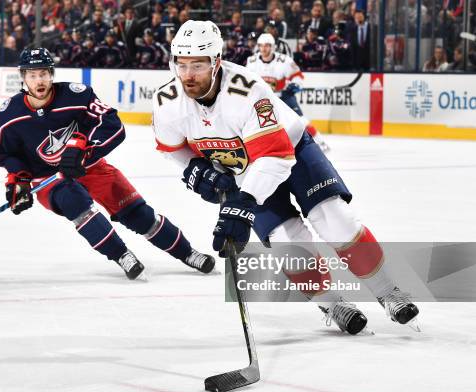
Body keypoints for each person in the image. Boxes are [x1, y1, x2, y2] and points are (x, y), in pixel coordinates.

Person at [152, 20, 420, 334]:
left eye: (197, 64)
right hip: (246, 171)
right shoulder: (167, 102)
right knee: (287, 242)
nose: (187, 75)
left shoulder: (246, 90)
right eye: (181, 64)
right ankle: (332, 302)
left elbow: (275, 156)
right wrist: (194, 170)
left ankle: (388, 291)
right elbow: (172, 149)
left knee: (336, 220)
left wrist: (244, 203)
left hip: (290, 150)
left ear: (216, 62)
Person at [0, 48, 215, 280]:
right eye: (32, 75)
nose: (39, 80)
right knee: (73, 199)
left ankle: (187, 252)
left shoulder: (76, 95)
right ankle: (122, 255)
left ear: (52, 73)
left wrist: (84, 150)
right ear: (23, 77)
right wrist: (18, 180)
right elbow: (10, 154)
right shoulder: (10, 113)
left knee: (138, 215)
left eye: (43, 74)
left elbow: (113, 125)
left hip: (91, 167)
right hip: (49, 178)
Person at [246, 33, 329, 152]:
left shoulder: (284, 60)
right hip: (263, 99)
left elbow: (298, 76)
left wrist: (294, 85)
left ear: (273, 47)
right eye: (261, 46)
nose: (264, 49)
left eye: (267, 45)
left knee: (301, 121)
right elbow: (249, 81)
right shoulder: (252, 61)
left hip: (282, 96)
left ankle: (320, 142)